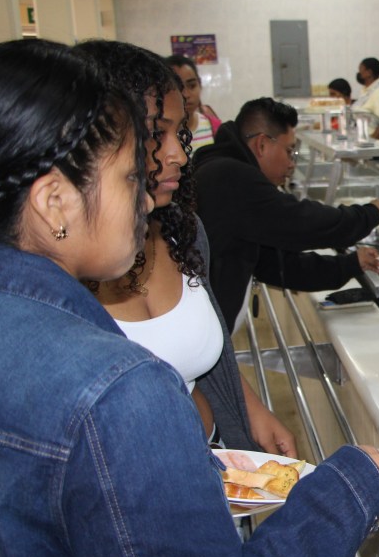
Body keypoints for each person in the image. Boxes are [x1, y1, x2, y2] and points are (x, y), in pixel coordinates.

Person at [0, 38, 379, 557]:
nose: (146, 196)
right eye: (128, 176)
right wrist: (348, 490)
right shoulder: (123, 392)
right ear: (54, 201)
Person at [76, 40, 297, 456]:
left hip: (216, 461)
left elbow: (202, 348)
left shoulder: (183, 232)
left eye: (179, 132)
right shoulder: (62, 270)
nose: (177, 153)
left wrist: (251, 411)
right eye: (155, 133)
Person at [193, 96, 379, 332]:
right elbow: (304, 223)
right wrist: (370, 213)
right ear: (262, 144)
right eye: (289, 151)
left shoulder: (227, 174)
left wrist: (351, 264)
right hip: (201, 335)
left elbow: (278, 265)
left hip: (210, 333)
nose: (291, 164)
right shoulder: (230, 177)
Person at [166, 53, 221, 149]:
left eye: (192, 86)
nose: (186, 95)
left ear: (200, 84)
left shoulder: (214, 127)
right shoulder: (157, 134)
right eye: (178, 88)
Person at [352, 57, 379, 140]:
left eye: (361, 70)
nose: (359, 73)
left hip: (372, 145)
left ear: (369, 72)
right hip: (362, 142)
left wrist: (372, 143)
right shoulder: (366, 91)